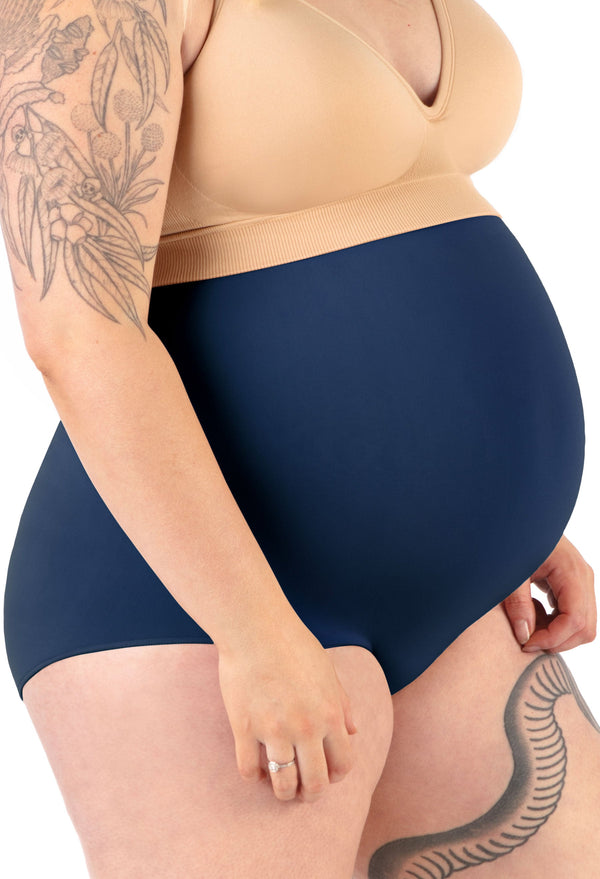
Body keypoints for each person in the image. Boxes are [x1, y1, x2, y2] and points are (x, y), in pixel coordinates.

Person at [1, 0, 598, 876]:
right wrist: (252, 634)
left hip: (460, 603)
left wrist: (503, 516)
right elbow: (76, 328)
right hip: (202, 610)